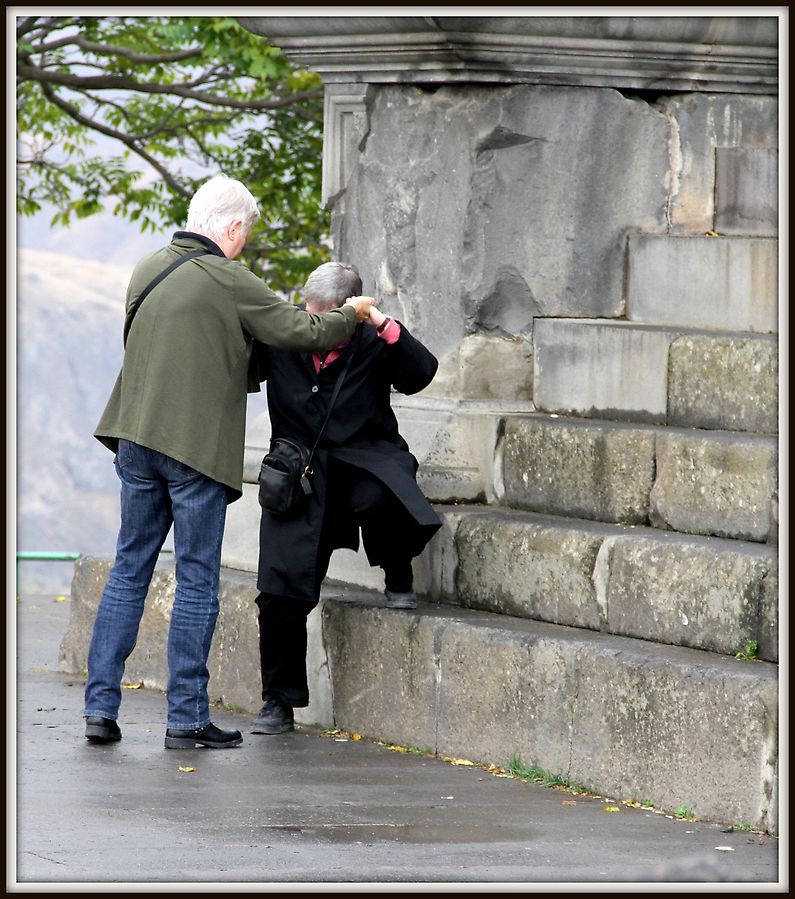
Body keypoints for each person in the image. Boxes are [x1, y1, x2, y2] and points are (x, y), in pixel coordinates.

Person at [83, 175, 375, 750]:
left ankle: (99, 710)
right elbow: (302, 330)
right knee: (196, 582)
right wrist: (354, 315)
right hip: (192, 449)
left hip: (135, 437)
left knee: (128, 570)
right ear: (234, 227)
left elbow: (156, 345)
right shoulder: (228, 278)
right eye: (246, 232)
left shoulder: (147, 268)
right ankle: (187, 719)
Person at [250, 261, 442, 735]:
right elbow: (231, 368)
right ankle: (279, 701)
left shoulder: (373, 337)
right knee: (279, 589)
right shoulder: (284, 336)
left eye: (329, 320)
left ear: (353, 313)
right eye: (311, 317)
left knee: (384, 498)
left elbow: (421, 374)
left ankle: (397, 569)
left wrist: (380, 322)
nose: (317, 330)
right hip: (300, 470)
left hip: (365, 456)